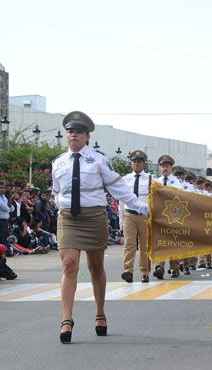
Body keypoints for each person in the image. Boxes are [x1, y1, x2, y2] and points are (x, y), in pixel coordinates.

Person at [51, 111, 149, 343]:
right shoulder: (58, 162)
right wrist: (61, 207)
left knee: (95, 267)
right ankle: (67, 319)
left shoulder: (99, 160)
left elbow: (117, 188)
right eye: (70, 132)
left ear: (87, 136)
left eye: (78, 132)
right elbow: (56, 191)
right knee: (69, 264)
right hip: (68, 218)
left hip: (94, 217)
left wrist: (140, 206)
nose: (73, 136)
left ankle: (100, 313)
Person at [119, 150, 153, 284]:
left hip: (145, 216)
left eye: (139, 161)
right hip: (129, 215)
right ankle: (128, 272)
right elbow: (121, 200)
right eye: (134, 161)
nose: (136, 164)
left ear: (144, 164)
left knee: (145, 246)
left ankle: (144, 272)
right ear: (131, 164)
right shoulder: (125, 179)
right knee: (129, 245)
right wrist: (121, 219)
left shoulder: (151, 178)